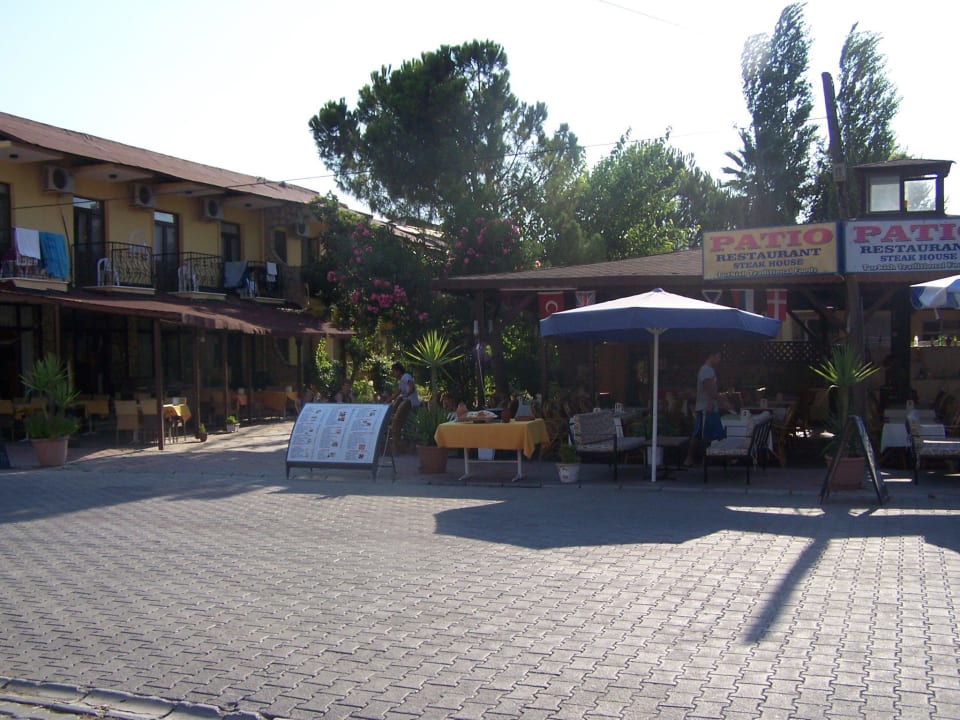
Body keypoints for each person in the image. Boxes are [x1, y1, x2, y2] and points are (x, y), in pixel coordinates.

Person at [684, 350, 724, 467]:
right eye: (718, 356)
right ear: (711, 356)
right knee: (700, 434)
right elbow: (709, 389)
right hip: (706, 408)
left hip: (709, 407)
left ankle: (707, 458)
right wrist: (720, 400)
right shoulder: (706, 370)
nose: (719, 359)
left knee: (711, 433)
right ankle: (691, 458)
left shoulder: (709, 370)